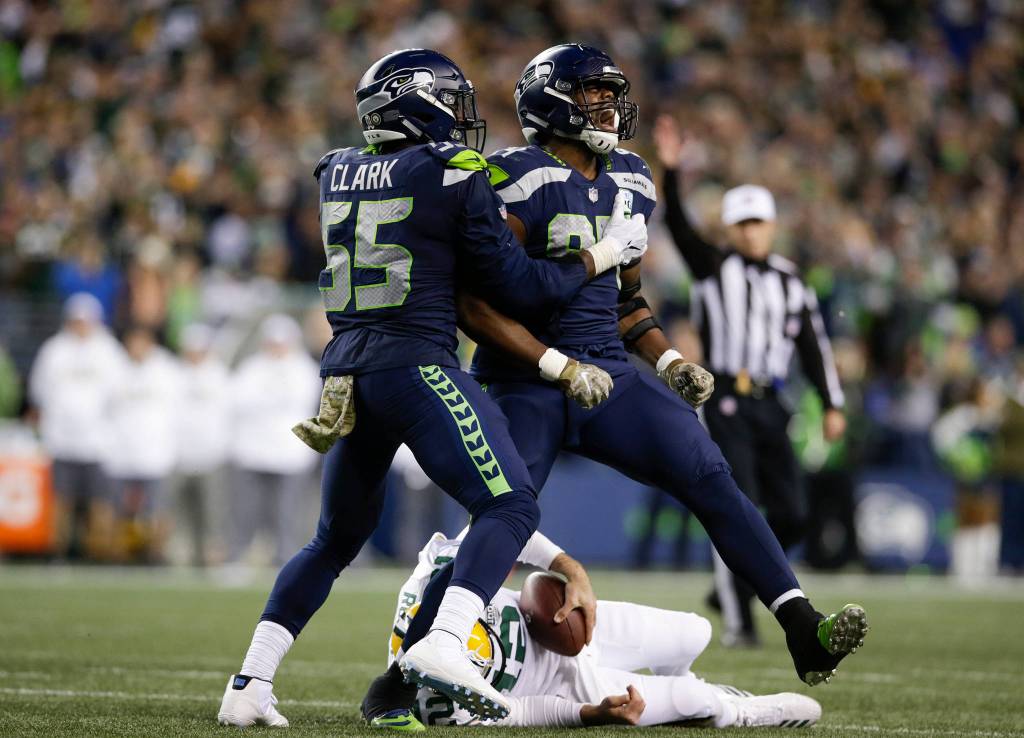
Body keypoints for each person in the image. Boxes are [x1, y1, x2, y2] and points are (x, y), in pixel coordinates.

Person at [366, 46, 866, 724]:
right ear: (552, 102)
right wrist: (553, 364)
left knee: (709, 472)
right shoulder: (513, 175)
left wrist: (666, 362)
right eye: (592, 95)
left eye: (608, 95)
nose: (607, 108)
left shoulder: (632, 177)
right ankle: (408, 667)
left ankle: (800, 624)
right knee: (504, 512)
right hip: (526, 379)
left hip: (609, 373)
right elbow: (474, 302)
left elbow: (626, 299)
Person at [217, 48, 646, 728]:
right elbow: (522, 285)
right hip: (416, 364)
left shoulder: (337, 170)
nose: (462, 119)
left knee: (333, 539)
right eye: (451, 102)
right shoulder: (451, 172)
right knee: (511, 505)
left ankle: (248, 683)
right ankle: (446, 643)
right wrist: (601, 253)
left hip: (347, 371)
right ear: (415, 103)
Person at [653, 115, 847, 647]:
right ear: (731, 229)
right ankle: (740, 622)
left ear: (772, 225)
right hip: (725, 400)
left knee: (794, 513)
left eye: (759, 222)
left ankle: (739, 578)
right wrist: (670, 173)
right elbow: (680, 229)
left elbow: (814, 345)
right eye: (743, 224)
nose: (752, 231)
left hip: (772, 400)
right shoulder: (714, 267)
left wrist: (832, 401)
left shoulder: (791, 280)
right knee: (735, 502)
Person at [381, 529, 822, 730]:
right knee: (694, 698)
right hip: (563, 683)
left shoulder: (429, 580)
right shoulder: (435, 702)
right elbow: (521, 713)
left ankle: (680, 693)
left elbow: (509, 529)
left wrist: (568, 570)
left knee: (697, 631)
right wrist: (589, 714)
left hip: (556, 622)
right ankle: (732, 709)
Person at [27, 293, 124, 560]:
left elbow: (118, 393)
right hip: (62, 440)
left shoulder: (108, 350)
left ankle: (99, 555)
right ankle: (59, 554)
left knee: (100, 504)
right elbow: (39, 390)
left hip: (97, 442)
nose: (81, 325)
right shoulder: (54, 350)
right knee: (62, 502)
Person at [224, 314, 321, 567]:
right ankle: (237, 557)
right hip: (252, 451)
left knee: (286, 513)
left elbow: (302, 402)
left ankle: (285, 560)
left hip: (290, 453)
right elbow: (239, 401)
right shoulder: (251, 368)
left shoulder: (304, 369)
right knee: (245, 510)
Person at [103, 325, 182, 562]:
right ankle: (120, 554)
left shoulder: (166, 369)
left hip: (155, 452)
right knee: (120, 510)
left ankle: (155, 553)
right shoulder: (115, 368)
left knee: (158, 509)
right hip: (121, 453)